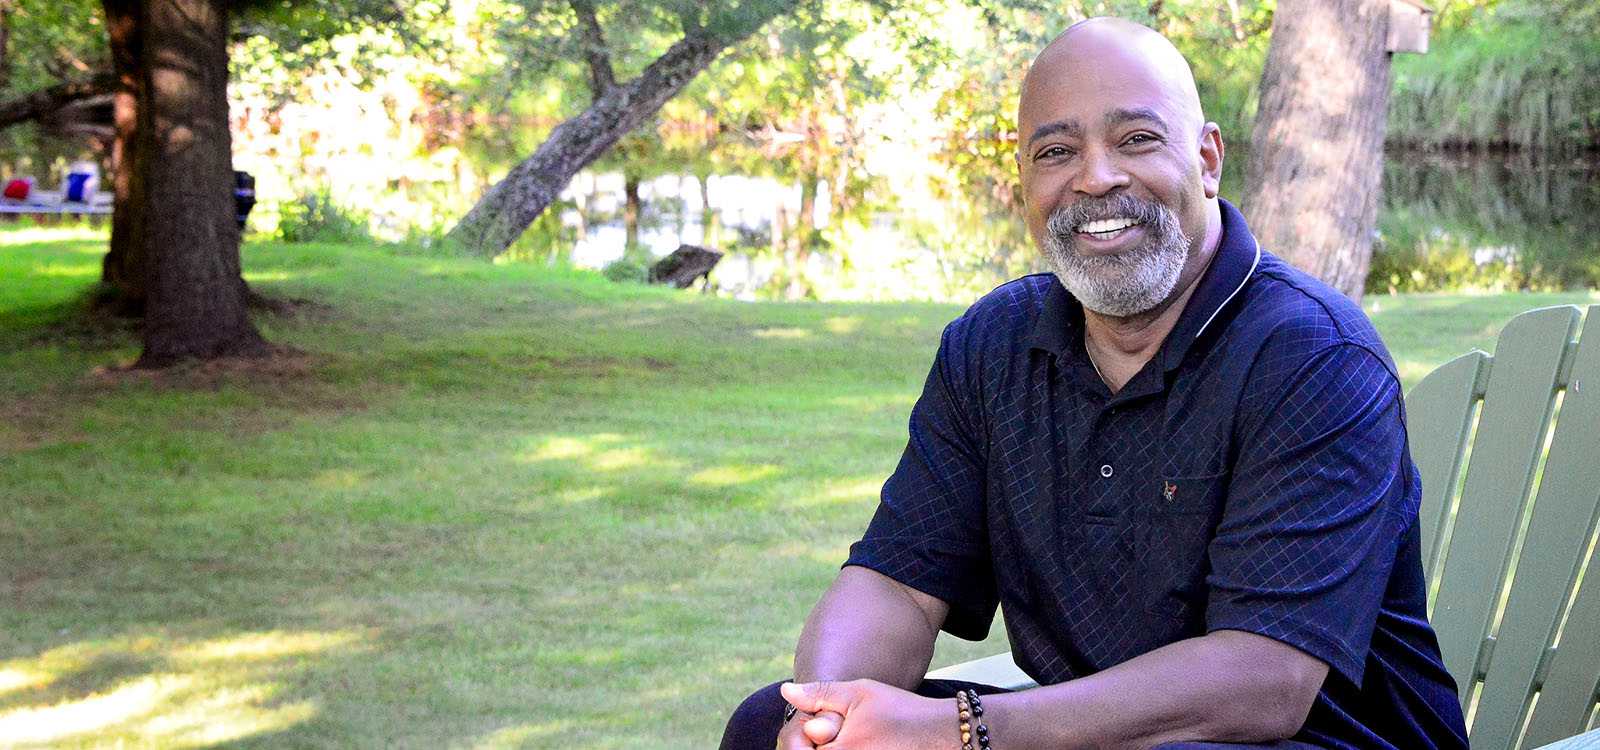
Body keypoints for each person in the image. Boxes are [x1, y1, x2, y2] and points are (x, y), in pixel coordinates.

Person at [720, 17, 1469, 750]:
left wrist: (964, 732)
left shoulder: (1313, 358)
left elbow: (1264, 680)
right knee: (764, 725)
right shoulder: (993, 348)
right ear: (1024, 186)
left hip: (1333, 738)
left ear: (1207, 159)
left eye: (1136, 139)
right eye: (1056, 151)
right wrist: (823, 713)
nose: (1096, 177)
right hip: (1104, 734)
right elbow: (898, 583)